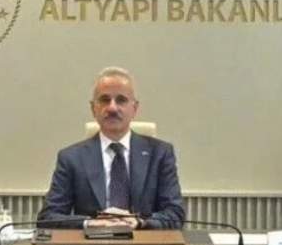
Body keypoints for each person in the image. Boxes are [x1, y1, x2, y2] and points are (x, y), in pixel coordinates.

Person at [37, 67, 185, 230]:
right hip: (91, 243)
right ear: (93, 109)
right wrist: (90, 223)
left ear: (134, 109)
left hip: (144, 242)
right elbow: (48, 217)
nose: (112, 108)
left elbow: (175, 214)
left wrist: (140, 222)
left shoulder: (160, 154)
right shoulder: (72, 158)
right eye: (104, 100)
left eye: (121, 100)